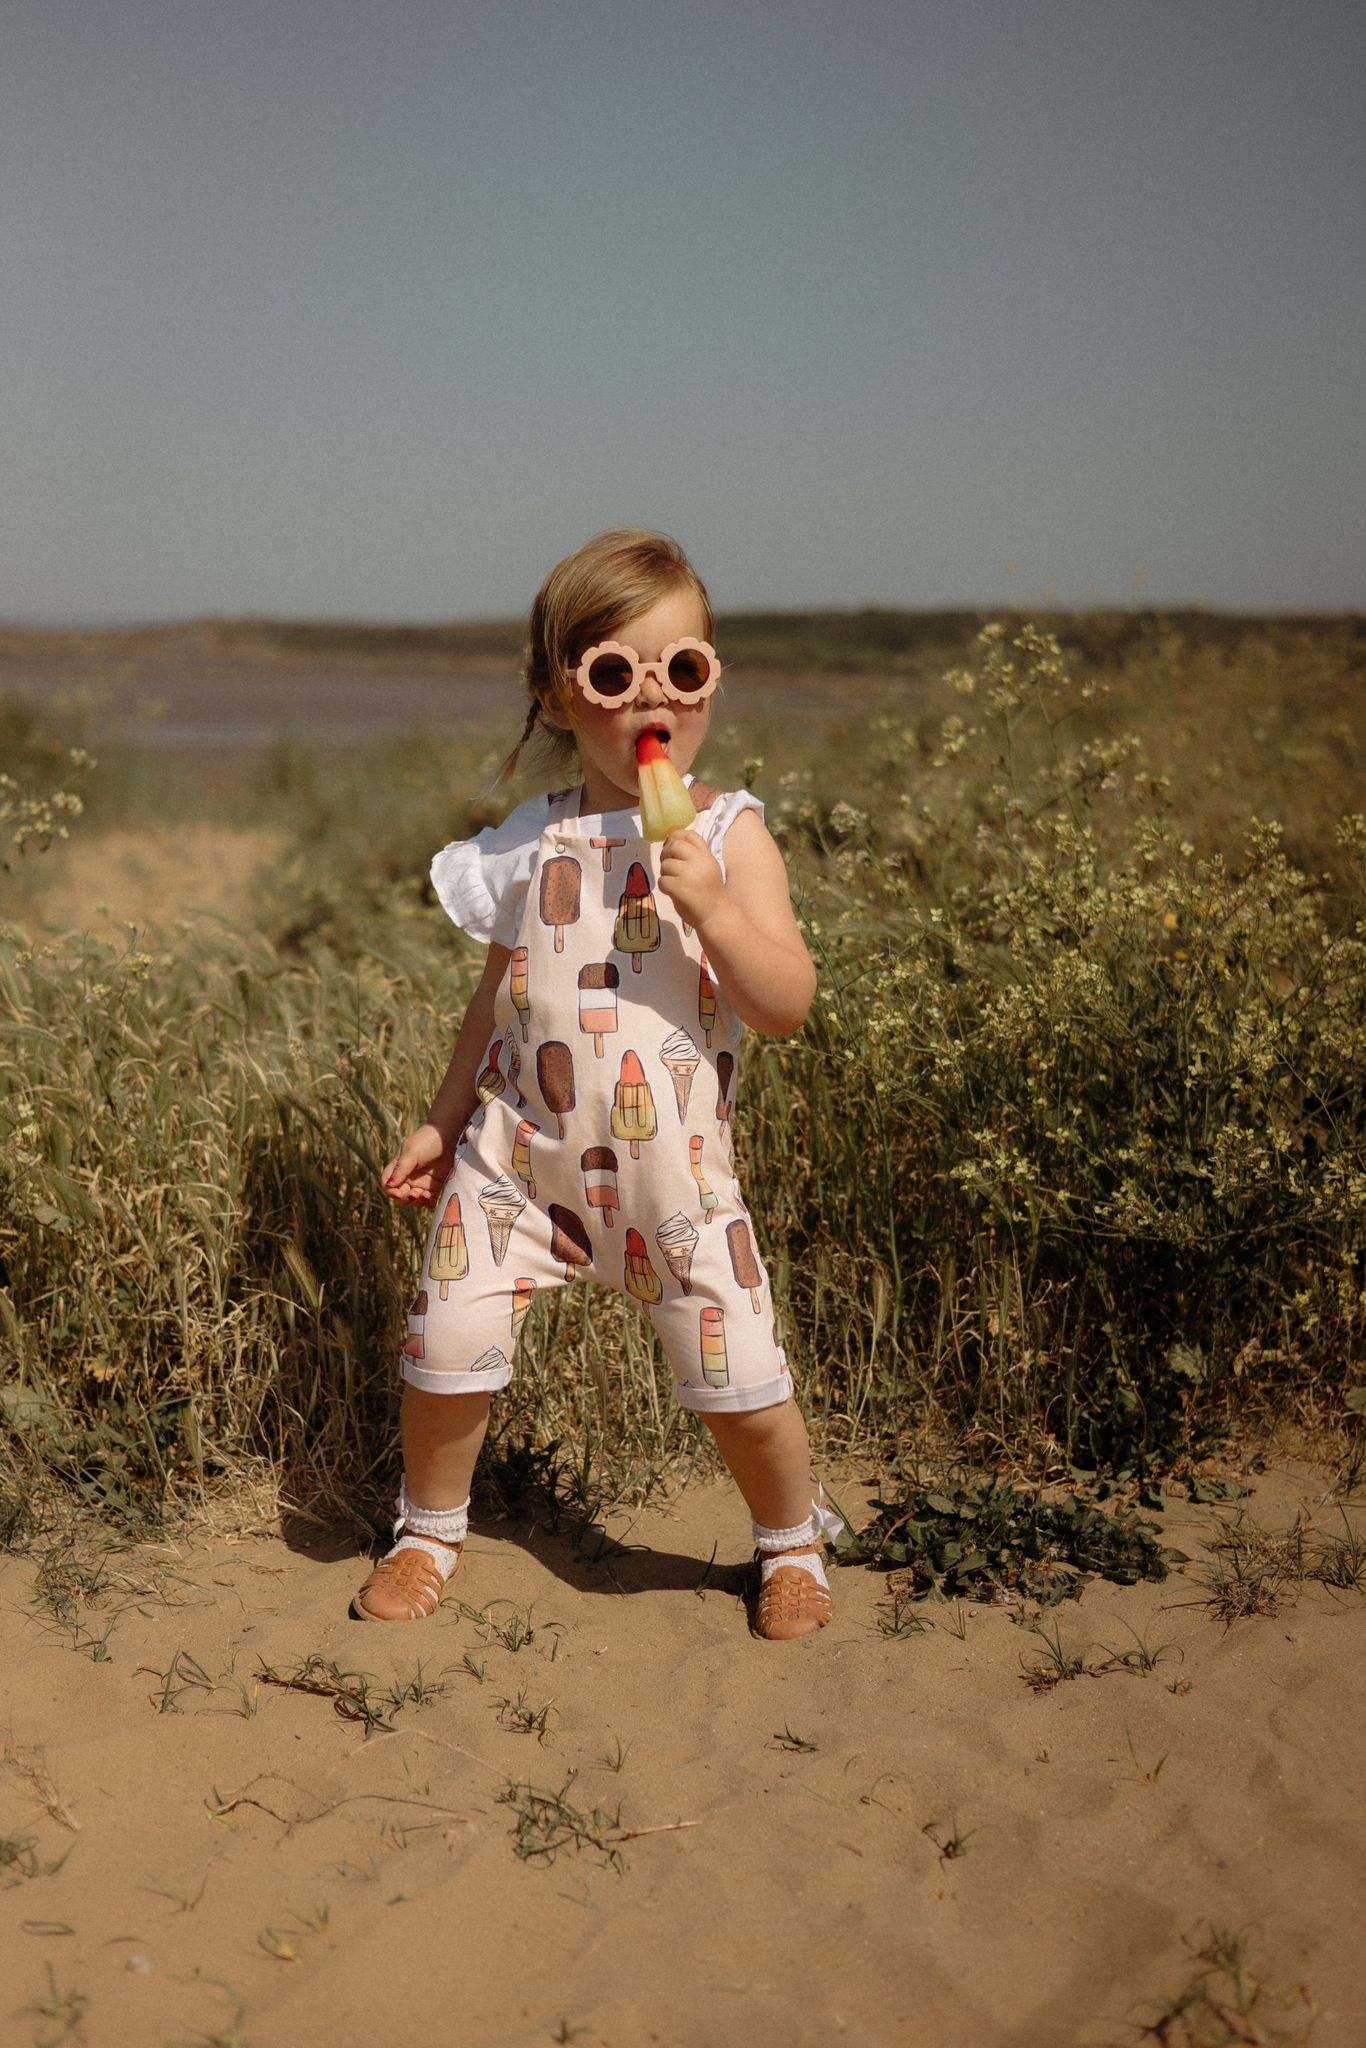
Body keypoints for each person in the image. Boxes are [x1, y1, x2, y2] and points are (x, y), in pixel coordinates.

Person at [354, 529, 838, 1640]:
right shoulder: (532, 841)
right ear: (560, 696)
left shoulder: (728, 830)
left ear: (713, 678)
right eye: (615, 674)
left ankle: (790, 1541)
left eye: (685, 668)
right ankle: (427, 1529)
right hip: (519, 1157)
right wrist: (440, 1119)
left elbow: (786, 1001)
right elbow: (495, 1000)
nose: (651, 697)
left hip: (677, 1176)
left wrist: (713, 906)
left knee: (746, 1375)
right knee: (442, 1345)